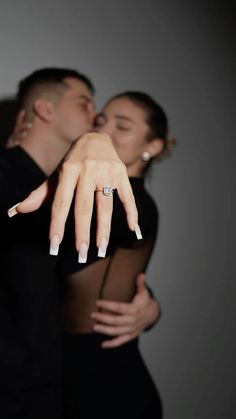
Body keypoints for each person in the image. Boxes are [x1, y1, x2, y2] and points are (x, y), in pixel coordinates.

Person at [0, 68, 161, 419]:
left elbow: (120, 250)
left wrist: (150, 308)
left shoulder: (95, 198)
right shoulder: (10, 178)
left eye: (121, 125)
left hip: (71, 391)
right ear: (44, 110)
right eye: (88, 106)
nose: (97, 121)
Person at [55, 91, 171, 418]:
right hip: (66, 381)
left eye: (123, 126)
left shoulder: (136, 205)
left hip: (109, 389)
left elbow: (118, 218)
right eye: (101, 122)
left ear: (152, 146)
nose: (105, 133)